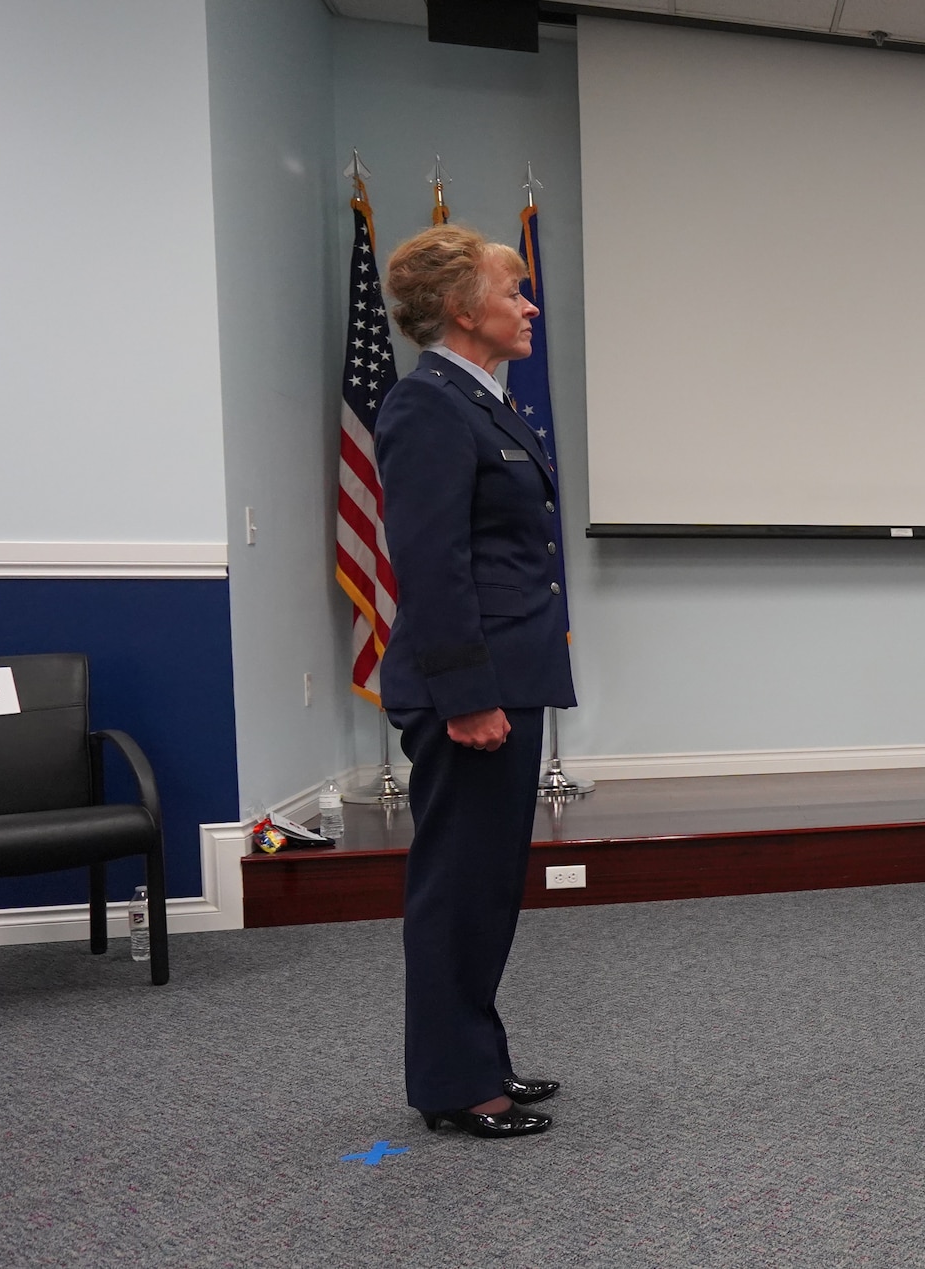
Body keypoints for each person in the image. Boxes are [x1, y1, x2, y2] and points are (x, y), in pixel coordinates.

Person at [376, 223, 577, 1138]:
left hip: (505, 672)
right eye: (513, 291)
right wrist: (466, 696)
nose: (529, 306)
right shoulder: (428, 407)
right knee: (460, 885)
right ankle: (456, 1086)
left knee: (488, 882)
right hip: (471, 686)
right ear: (463, 310)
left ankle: (477, 1059)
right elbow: (431, 563)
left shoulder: (483, 401)